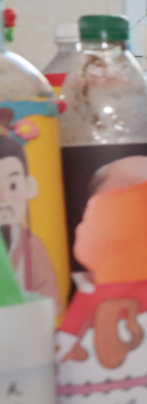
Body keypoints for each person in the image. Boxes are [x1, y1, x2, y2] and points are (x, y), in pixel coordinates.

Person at [0, 115, 57, 300]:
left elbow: (50, 295)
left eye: (12, 186)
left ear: (29, 187)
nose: (3, 199)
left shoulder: (31, 246)